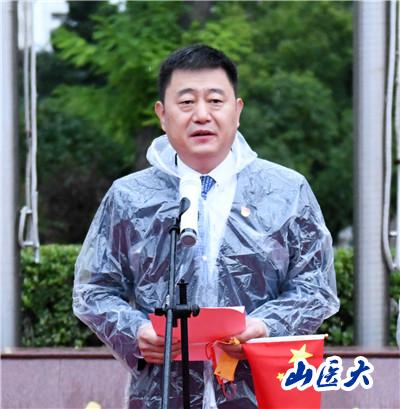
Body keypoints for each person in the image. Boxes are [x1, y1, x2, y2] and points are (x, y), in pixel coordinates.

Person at [73, 44, 340, 409]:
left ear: (237, 110)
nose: (201, 115)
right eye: (186, 102)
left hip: (261, 391)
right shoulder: (130, 198)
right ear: (162, 114)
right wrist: (136, 331)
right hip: (162, 394)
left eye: (215, 101)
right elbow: (94, 289)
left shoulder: (286, 191)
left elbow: (315, 287)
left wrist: (265, 326)